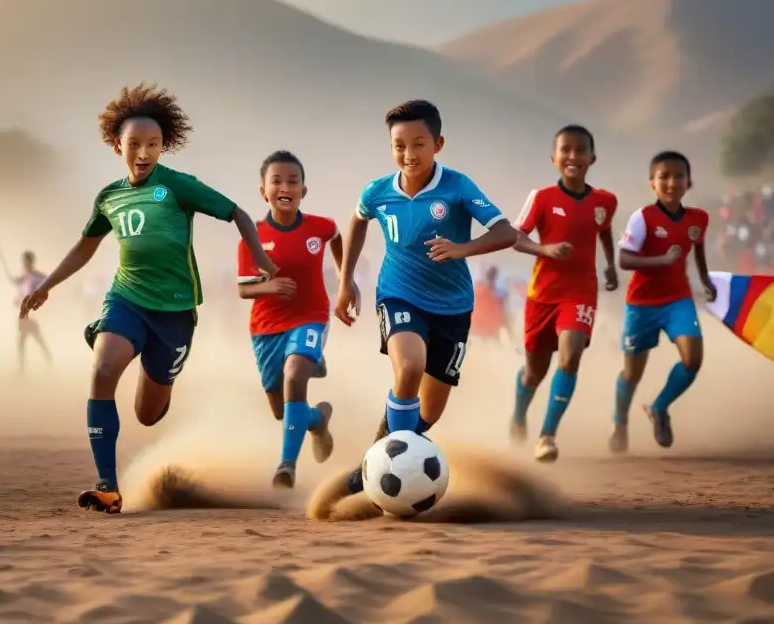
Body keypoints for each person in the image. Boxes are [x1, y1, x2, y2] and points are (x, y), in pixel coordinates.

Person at [19, 83, 277, 515]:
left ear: (163, 146)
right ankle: (108, 487)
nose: (143, 152)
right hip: (127, 298)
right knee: (102, 369)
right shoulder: (109, 197)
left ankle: (155, 371)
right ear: (116, 144)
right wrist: (47, 284)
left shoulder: (177, 186)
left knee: (148, 414)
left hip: (175, 314)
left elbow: (237, 212)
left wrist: (260, 255)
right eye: (134, 143)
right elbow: (86, 247)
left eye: (153, 144)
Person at [335, 100, 518, 495]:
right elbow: (357, 220)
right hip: (399, 294)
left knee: (429, 413)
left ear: (438, 144)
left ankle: (375, 456)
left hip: (453, 307)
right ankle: (383, 479)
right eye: (399, 145)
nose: (408, 154)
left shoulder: (457, 186)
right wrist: (346, 279)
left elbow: (506, 232)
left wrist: (461, 249)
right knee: (409, 367)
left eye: (419, 144)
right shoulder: (378, 191)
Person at [511, 125, 619, 462]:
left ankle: (547, 436)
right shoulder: (541, 197)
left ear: (592, 157)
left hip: (581, 292)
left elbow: (603, 231)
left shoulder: (606, 201)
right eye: (566, 150)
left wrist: (611, 266)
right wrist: (545, 249)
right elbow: (514, 237)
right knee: (534, 371)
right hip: (542, 295)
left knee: (570, 358)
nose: (573, 156)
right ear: (554, 157)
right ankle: (518, 415)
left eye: (580, 150)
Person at [237, 150, 342, 489]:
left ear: (303, 191)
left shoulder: (319, 227)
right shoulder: (253, 236)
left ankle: (286, 467)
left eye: (293, 181)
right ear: (263, 191)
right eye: (277, 181)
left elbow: (337, 235)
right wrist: (270, 285)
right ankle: (318, 418)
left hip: (311, 316)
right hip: (266, 327)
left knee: (295, 377)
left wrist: (345, 276)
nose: (285, 187)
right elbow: (244, 289)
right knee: (283, 413)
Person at [611, 151, 714, 452]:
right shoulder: (642, 217)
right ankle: (619, 422)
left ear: (688, 182)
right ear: (652, 183)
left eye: (678, 176)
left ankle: (658, 407)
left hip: (678, 300)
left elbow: (697, 250)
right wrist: (661, 259)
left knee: (692, 360)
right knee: (632, 373)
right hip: (641, 304)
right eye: (664, 176)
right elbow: (624, 259)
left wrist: (705, 280)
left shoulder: (699, 219)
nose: (671, 182)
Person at [0, 246, 52, 372]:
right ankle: (30, 366)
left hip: (31, 314)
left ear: (30, 261)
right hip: (24, 314)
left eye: (26, 260)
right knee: (27, 341)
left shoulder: (37, 277)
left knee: (33, 341)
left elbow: (42, 287)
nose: (24, 263)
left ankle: (44, 362)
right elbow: (16, 282)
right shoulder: (25, 276)